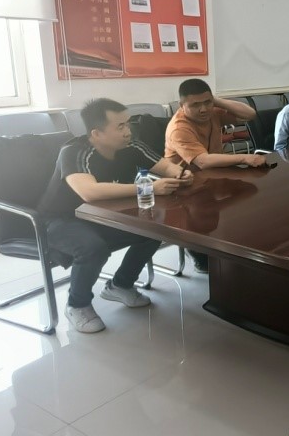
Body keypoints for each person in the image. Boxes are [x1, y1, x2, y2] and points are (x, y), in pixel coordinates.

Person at [39, 98, 192, 333]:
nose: (128, 131)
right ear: (96, 133)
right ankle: (77, 305)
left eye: (127, 123)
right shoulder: (74, 152)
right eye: (120, 126)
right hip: (60, 220)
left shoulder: (131, 145)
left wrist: (181, 174)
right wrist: (148, 188)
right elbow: (89, 192)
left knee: (153, 230)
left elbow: (165, 167)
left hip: (103, 216)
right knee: (93, 248)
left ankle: (120, 285)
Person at [165, 78, 265, 273]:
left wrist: (215, 101)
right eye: (195, 105)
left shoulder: (211, 112)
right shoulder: (179, 128)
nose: (203, 109)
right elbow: (202, 161)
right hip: (185, 186)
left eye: (207, 102)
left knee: (251, 198)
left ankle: (225, 249)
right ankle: (195, 248)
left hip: (212, 177)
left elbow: (250, 114)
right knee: (221, 209)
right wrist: (244, 158)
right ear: (181, 105)